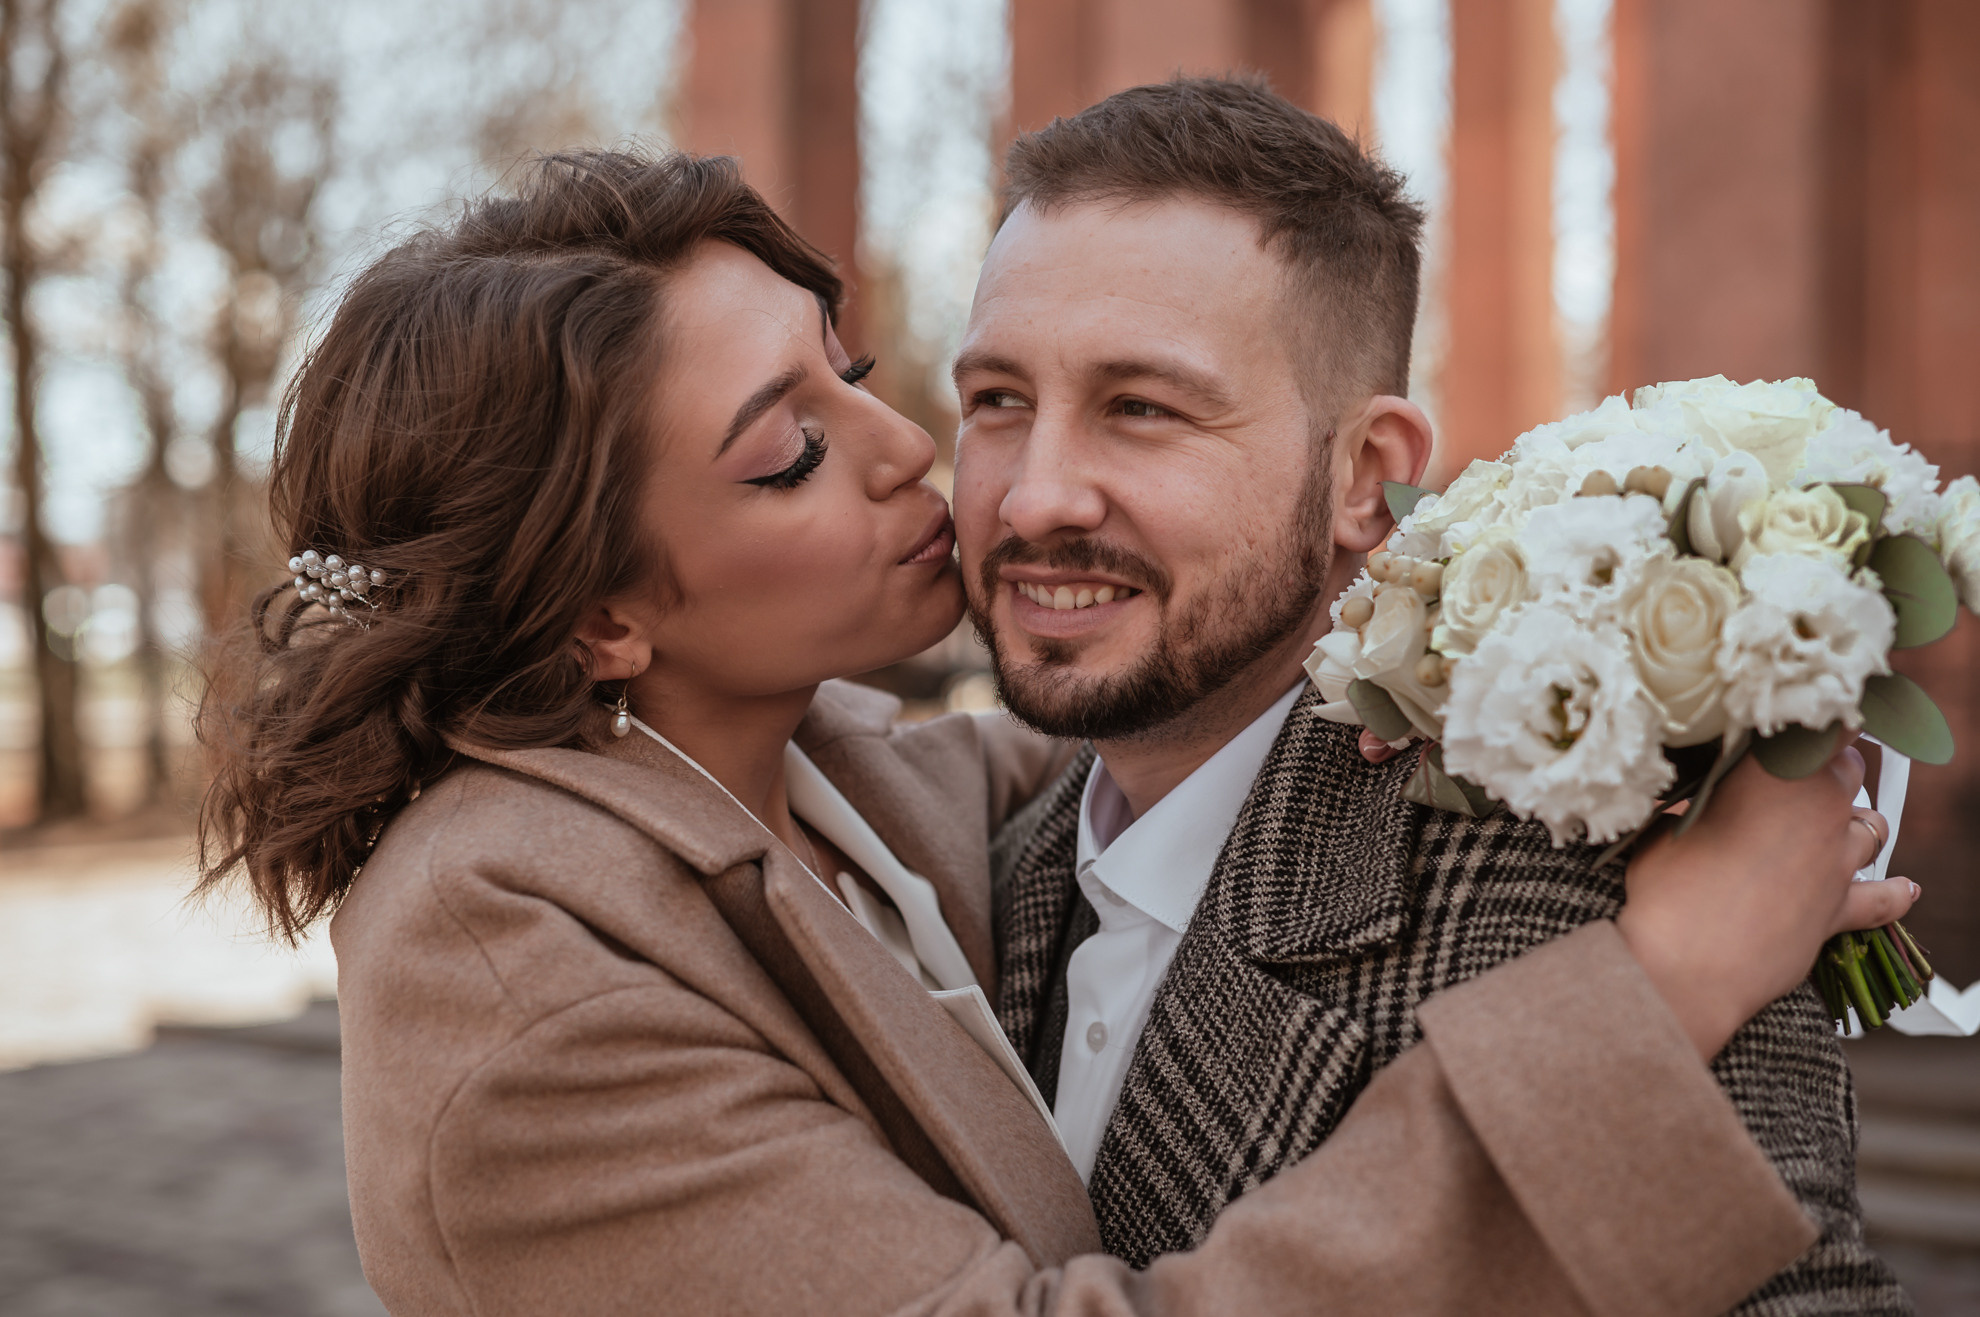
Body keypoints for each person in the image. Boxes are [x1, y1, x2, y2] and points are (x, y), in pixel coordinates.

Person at [196, 148, 1911, 1316]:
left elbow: (1197, 721)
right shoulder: (514, 964)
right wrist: (1667, 976)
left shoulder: (826, 778)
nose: (921, 457)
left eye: (856, 371)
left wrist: (1636, 695)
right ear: (601, 621)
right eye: (786, 451)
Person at [955, 77, 1910, 1310]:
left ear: (1367, 475)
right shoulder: (972, 874)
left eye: (1140, 408)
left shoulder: (1600, 903)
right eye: (997, 401)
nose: (1033, 496)